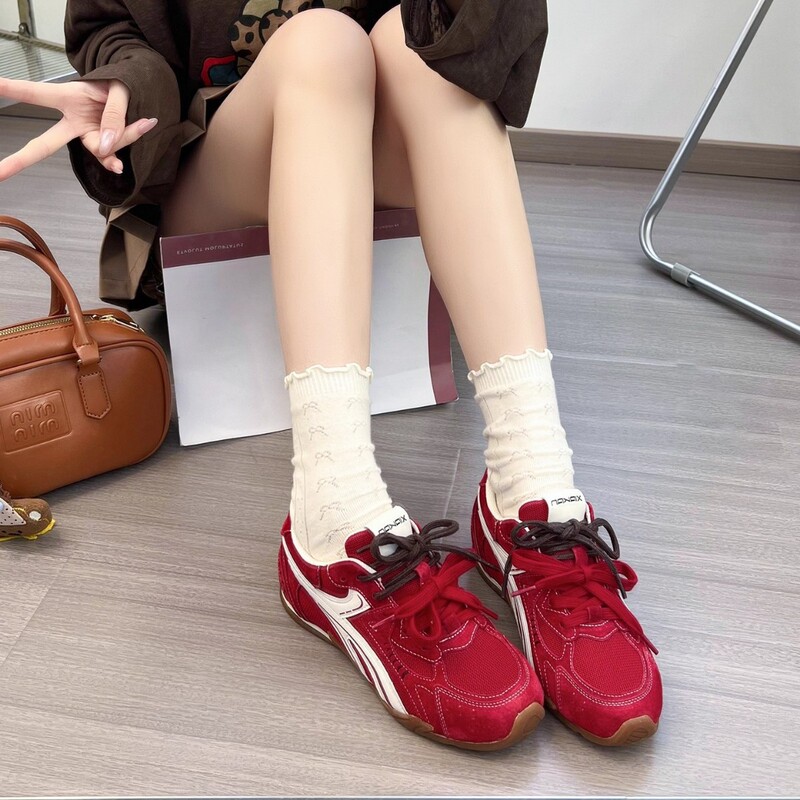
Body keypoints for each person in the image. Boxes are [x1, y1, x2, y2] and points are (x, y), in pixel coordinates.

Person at [0, 0, 661, 750]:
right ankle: (332, 511)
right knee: (322, 43)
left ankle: (530, 485)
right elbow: (113, 25)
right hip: (219, 166)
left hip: (372, 143)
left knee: (422, 48)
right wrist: (125, 83)